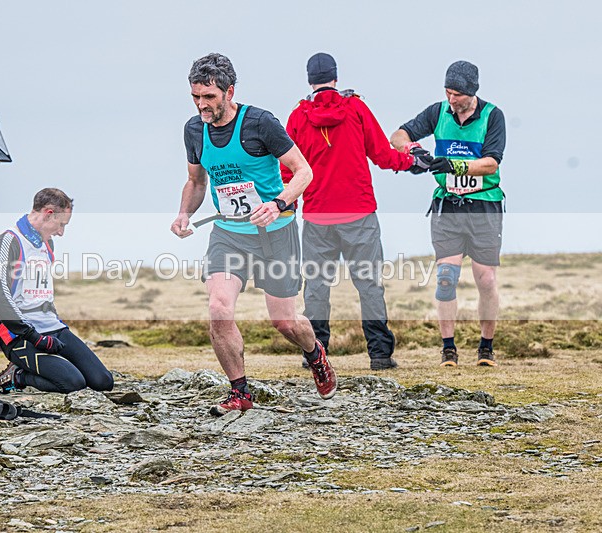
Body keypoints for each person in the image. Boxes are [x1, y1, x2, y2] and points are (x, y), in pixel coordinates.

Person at [171, 53, 337, 416]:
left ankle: (315, 354)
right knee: (218, 307)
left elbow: (304, 172)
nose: (202, 105)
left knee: (285, 322)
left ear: (230, 91)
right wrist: (184, 213)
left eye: (209, 97)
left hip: (275, 233)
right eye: (196, 97)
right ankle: (239, 391)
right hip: (229, 234)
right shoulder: (194, 130)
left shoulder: (260, 123)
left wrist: (277, 203)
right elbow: (196, 181)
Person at [282, 52, 432, 371]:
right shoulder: (356, 108)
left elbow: (287, 170)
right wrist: (410, 163)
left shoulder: (297, 117)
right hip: (359, 213)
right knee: (369, 284)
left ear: (310, 80)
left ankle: (316, 353)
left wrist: (286, 207)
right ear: (335, 77)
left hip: (317, 215)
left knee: (317, 286)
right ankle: (379, 355)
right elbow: (381, 153)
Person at [390, 60, 506, 367]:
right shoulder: (437, 112)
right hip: (447, 205)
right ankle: (448, 348)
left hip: (484, 205)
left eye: (457, 94)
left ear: (472, 92)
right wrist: (415, 150)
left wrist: (453, 165)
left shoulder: (493, 116)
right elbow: (397, 135)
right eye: (448, 92)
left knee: (486, 280)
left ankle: (486, 346)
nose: (451, 99)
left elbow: (492, 163)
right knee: (445, 278)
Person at [0, 188, 114, 396]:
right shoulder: (9, 240)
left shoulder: (48, 243)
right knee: (73, 383)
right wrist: (33, 336)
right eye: (61, 224)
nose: (61, 232)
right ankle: (17, 376)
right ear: (47, 214)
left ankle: (43, 367)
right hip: (18, 333)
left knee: (103, 381)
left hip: (51, 326)